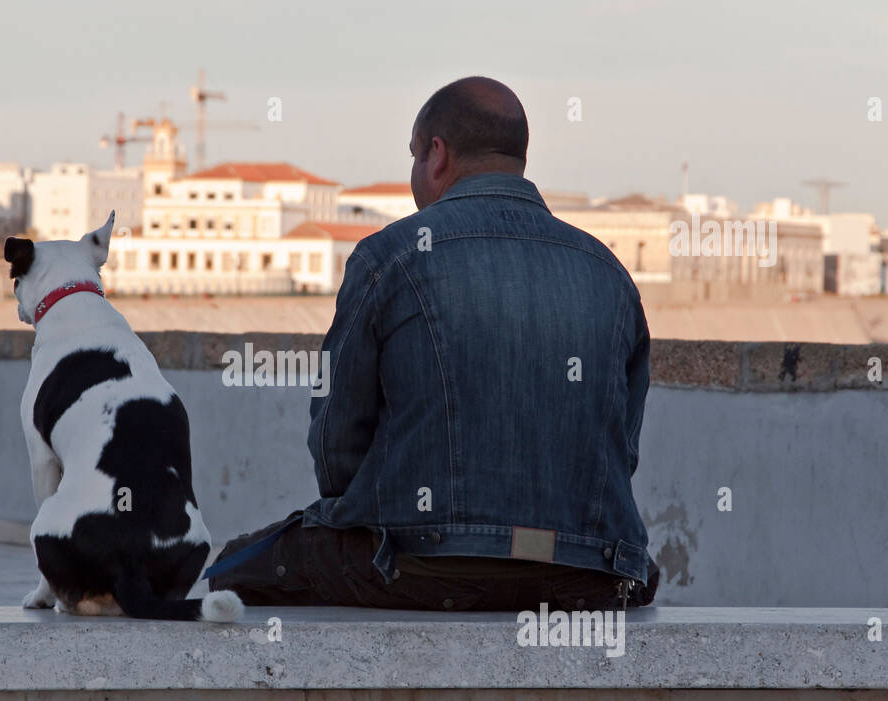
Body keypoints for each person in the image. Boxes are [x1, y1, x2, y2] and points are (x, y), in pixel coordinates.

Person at [207, 76, 658, 612]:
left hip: (422, 566)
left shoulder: (389, 257)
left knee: (231, 568)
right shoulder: (608, 271)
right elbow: (620, 448)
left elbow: (336, 445)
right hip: (591, 575)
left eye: (415, 156)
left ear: (437, 155)